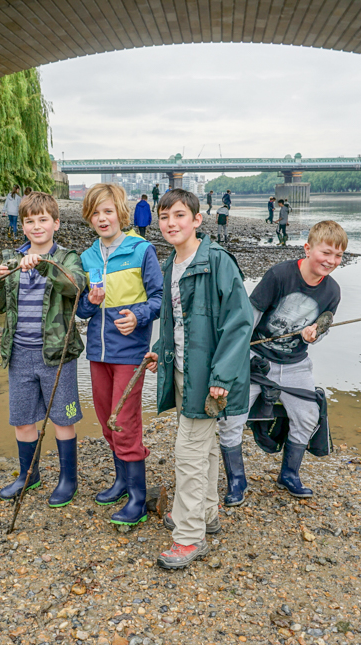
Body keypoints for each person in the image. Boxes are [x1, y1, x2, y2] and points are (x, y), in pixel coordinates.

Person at [144, 189, 252, 569]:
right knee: (203, 448)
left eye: (178, 215)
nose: (170, 223)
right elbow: (176, 319)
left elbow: (240, 324)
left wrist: (221, 375)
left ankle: (189, 537)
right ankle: (206, 513)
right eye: (164, 217)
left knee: (187, 454)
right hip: (181, 370)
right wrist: (160, 346)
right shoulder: (172, 260)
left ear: (196, 219)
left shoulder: (218, 262)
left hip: (208, 376)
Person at [217, 220, 346, 507]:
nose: (331, 261)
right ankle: (237, 481)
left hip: (296, 363)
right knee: (230, 418)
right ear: (308, 248)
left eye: (338, 256)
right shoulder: (279, 275)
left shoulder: (333, 292)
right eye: (326, 253)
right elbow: (247, 320)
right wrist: (234, 361)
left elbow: (322, 328)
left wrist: (314, 335)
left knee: (309, 415)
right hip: (256, 359)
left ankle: (289, 474)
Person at [0, 191, 88, 508]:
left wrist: (43, 266)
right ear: (24, 226)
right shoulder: (11, 259)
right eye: (30, 221)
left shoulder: (68, 257)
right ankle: (29, 474)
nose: (36, 226)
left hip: (57, 355)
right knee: (24, 420)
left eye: (43, 220)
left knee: (62, 418)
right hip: (19, 354)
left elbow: (75, 286)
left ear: (55, 223)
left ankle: (68, 479)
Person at [76, 183, 163, 526]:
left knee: (125, 423)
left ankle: (139, 499)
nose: (102, 218)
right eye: (96, 212)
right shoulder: (87, 257)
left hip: (131, 353)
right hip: (97, 353)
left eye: (108, 211)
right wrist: (89, 303)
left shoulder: (142, 250)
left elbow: (158, 299)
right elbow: (82, 311)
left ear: (121, 214)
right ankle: (122, 483)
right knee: (106, 422)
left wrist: (138, 317)